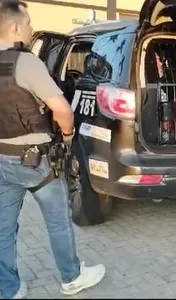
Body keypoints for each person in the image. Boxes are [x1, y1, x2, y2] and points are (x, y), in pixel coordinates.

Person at [0, 1, 105, 299]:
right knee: (58, 221)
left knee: (3, 229)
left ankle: (8, 289)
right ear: (15, 27)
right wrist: (68, 136)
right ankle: (71, 277)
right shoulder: (27, 62)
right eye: (29, 22)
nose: (32, 28)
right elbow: (62, 110)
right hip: (36, 162)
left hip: (2, 160)